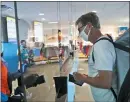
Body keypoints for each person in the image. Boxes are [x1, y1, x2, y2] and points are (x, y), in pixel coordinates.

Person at [73, 12, 116, 102]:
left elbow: (105, 82)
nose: (79, 34)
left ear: (89, 26)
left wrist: (83, 78)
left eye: (80, 30)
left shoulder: (101, 46)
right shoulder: (101, 42)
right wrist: (87, 77)